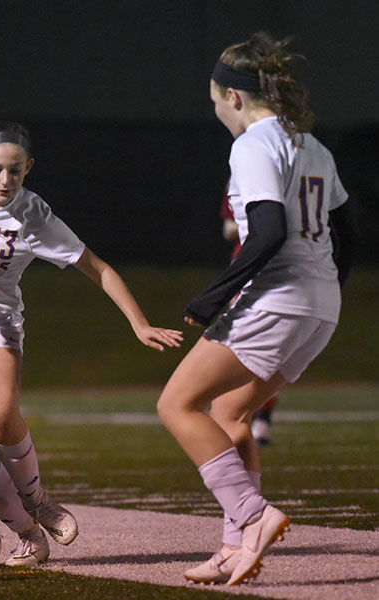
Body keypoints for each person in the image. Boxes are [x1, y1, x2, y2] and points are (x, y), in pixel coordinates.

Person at [0, 110, 183, 566]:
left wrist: (138, 323)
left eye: (16, 171)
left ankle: (39, 500)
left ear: (29, 169)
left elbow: (97, 268)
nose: (6, 180)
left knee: (1, 414)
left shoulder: (33, 215)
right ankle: (27, 534)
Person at [157, 32, 356, 586]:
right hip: (321, 306)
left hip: (280, 298)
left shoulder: (251, 144)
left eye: (216, 100)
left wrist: (216, 294)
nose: (217, 110)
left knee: (176, 405)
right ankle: (234, 546)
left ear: (235, 98)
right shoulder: (312, 144)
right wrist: (323, 290)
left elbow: (266, 230)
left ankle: (253, 515)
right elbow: (348, 232)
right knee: (230, 417)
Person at [221, 191, 278, 446]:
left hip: (270, 268)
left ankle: (259, 414)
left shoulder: (272, 178)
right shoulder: (240, 179)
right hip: (251, 267)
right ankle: (250, 415)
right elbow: (229, 229)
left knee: (266, 349)